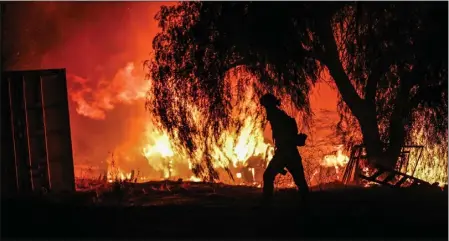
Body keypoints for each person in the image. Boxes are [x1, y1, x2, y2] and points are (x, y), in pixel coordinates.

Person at [260, 93, 310, 205]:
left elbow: (287, 136)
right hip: (289, 153)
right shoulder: (280, 117)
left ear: (271, 106)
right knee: (300, 180)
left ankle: (266, 204)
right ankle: (307, 204)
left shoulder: (279, 118)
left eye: (267, 107)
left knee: (268, 176)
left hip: (285, 153)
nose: (266, 111)